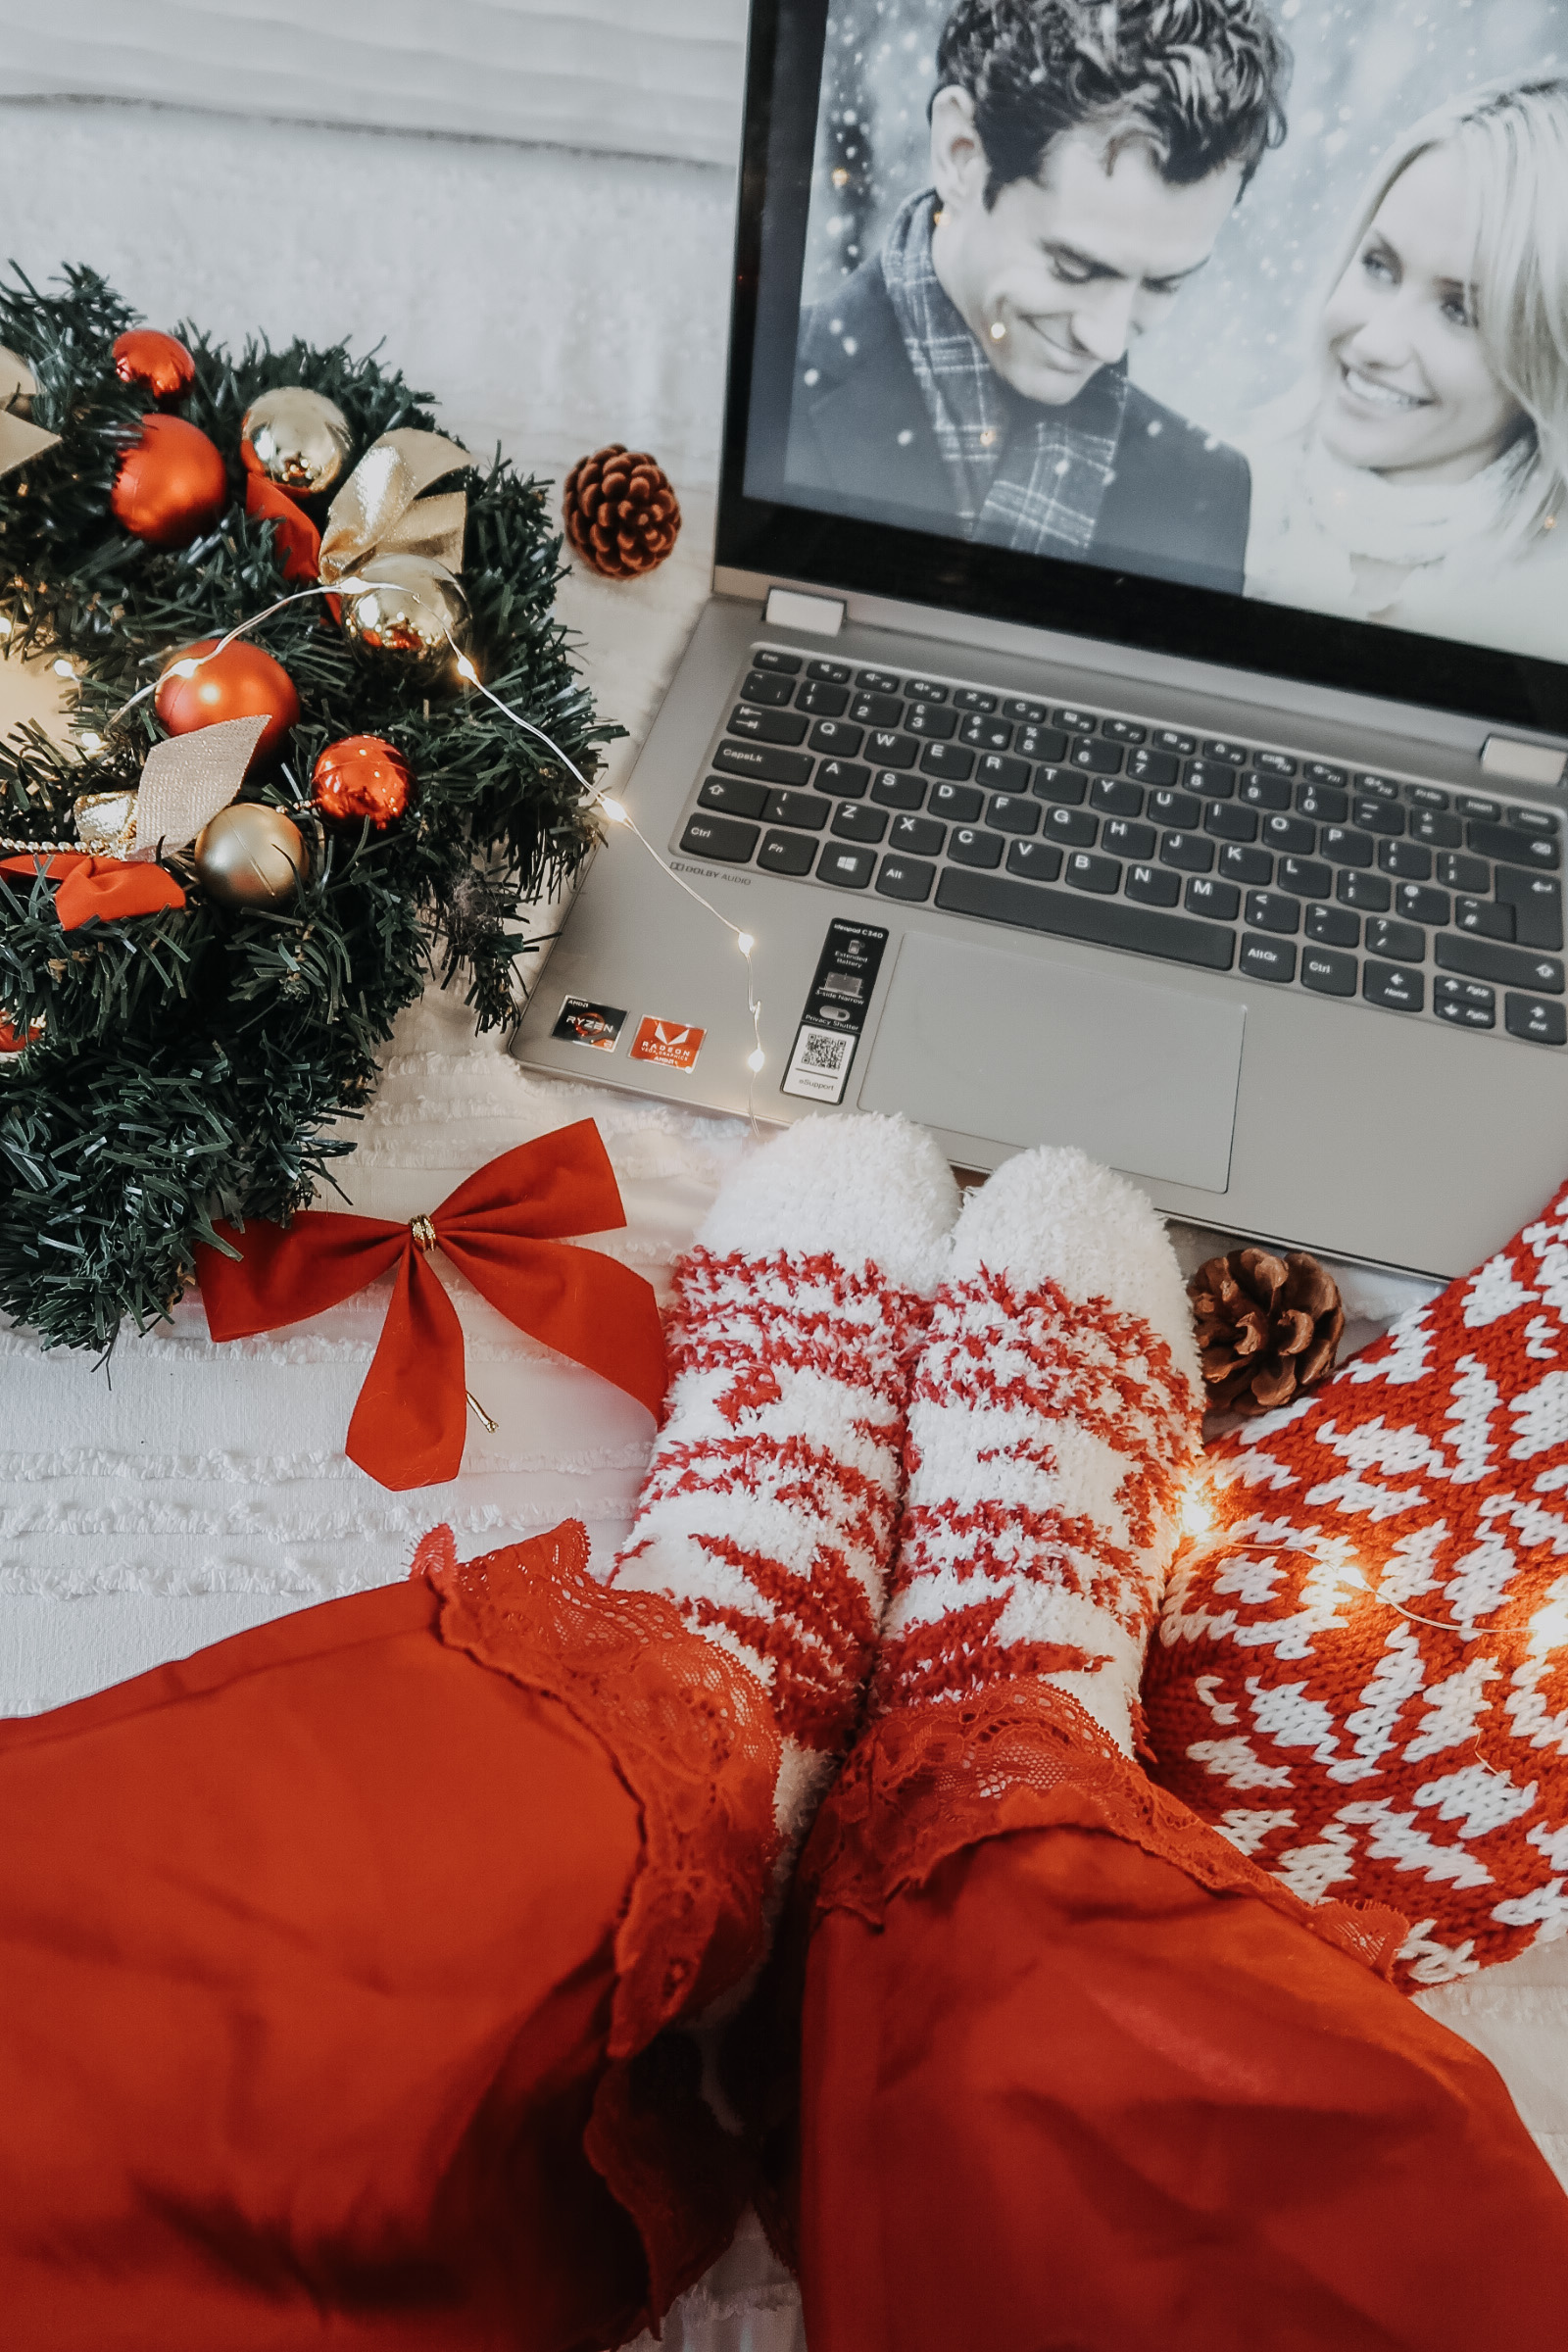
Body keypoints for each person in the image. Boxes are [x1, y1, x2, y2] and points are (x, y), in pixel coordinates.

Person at [786, 0, 1291, 594]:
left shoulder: (1208, 492)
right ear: (962, 155)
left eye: (1163, 284)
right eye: (1074, 266)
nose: (1105, 339)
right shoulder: (769, 385)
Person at [1244, 74, 1568, 658]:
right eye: (1379, 266)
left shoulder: (1547, 622)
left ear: (1546, 358)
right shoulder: (1212, 499)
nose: (1376, 342)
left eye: (1459, 310)